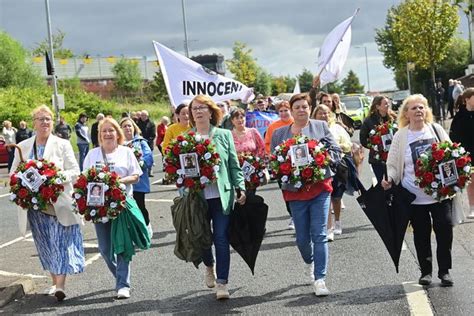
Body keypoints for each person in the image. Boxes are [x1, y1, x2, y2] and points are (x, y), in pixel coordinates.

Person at [10, 105, 84, 301]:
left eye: (48, 119)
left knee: (59, 243)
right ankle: (54, 281)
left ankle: (60, 286)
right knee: (45, 245)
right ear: (34, 123)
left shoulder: (63, 144)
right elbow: (12, 174)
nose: (45, 122)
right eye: (41, 119)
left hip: (58, 203)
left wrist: (54, 178)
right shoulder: (24, 146)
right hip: (34, 207)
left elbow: (75, 171)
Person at [271, 92, 341, 297]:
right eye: (297, 107)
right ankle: (309, 261)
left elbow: (336, 152)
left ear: (310, 108)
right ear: (291, 111)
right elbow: (275, 162)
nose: (302, 110)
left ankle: (320, 279)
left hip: (319, 187)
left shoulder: (320, 127)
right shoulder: (280, 134)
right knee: (302, 238)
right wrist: (284, 168)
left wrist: (319, 157)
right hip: (294, 192)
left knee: (319, 234)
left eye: (305, 106)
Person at [382, 94, 455, 287]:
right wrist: (389, 178)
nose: (418, 111)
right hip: (413, 196)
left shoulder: (436, 130)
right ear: (406, 113)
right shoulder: (401, 135)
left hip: (439, 194)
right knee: (421, 234)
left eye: (422, 107)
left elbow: (451, 155)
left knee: (445, 228)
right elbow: (392, 163)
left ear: (427, 111)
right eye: (414, 108)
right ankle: (426, 271)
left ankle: (445, 271)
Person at [188, 94, 246, 300]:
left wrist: (240, 187)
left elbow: (233, 164)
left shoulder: (223, 134)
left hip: (221, 195)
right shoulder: (186, 138)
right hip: (198, 197)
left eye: (202, 107)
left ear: (211, 111)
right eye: (194, 108)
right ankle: (209, 266)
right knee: (204, 239)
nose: (198, 111)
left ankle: (222, 283)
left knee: (221, 238)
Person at [83, 117, 142, 299]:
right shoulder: (92, 154)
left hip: (122, 205)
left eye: (111, 130)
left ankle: (123, 284)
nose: (108, 134)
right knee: (105, 249)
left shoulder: (126, 152)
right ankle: (120, 276)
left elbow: (136, 176)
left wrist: (118, 181)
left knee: (122, 244)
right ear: (100, 135)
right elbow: (84, 178)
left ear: (118, 133)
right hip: (99, 207)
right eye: (104, 131)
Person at [314, 104, 353, 241]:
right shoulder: (312, 129)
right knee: (324, 197)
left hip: (337, 166)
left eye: (326, 113)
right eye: (320, 113)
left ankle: (337, 221)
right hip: (319, 168)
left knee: (336, 197)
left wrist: (335, 146)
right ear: (315, 115)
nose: (324, 116)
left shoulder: (336, 128)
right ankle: (327, 227)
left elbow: (348, 145)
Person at [120, 117, 154, 236]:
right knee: (126, 208)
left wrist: (141, 163)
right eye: (124, 126)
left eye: (129, 125)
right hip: (123, 182)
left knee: (140, 206)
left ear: (134, 127)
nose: (127, 128)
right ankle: (131, 232)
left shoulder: (140, 142)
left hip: (139, 182)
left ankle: (146, 227)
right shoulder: (118, 145)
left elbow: (149, 157)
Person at [264, 100, 295, 228]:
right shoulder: (273, 127)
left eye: (285, 110)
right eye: (280, 111)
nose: (283, 113)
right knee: (286, 190)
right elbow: (267, 144)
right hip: (281, 165)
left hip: (297, 162)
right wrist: (272, 158)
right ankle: (292, 215)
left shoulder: (296, 123)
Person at [360, 96, 397, 184]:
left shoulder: (393, 118)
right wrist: (375, 146)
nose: (388, 105)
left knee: (395, 183)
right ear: (377, 106)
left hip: (393, 157)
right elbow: (363, 139)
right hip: (377, 159)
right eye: (385, 104)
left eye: (388, 103)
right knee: (382, 184)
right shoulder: (369, 120)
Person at [450, 88, 474, 218]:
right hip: (468, 153)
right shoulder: (459, 117)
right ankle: (472, 207)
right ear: (467, 100)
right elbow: (454, 137)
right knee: (472, 182)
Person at [230, 108, 265, 196]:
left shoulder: (253, 131)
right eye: (236, 118)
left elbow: (261, 148)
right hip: (236, 171)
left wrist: (255, 161)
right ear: (232, 121)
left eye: (242, 117)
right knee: (239, 196)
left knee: (250, 196)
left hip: (252, 170)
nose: (240, 120)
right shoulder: (229, 134)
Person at [137, 110, 156, 177]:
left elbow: (153, 135)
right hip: (139, 142)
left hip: (149, 143)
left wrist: (147, 141)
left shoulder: (151, 123)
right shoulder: (137, 123)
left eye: (144, 115)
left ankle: (150, 170)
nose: (143, 117)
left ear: (147, 116)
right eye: (142, 115)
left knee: (149, 157)